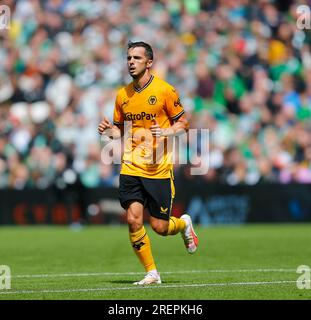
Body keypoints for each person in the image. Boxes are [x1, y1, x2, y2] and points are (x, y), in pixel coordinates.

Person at [98, 41, 198, 285]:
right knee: (133, 219)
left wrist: (166, 133)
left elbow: (183, 123)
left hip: (158, 168)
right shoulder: (123, 95)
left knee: (160, 228)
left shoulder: (165, 90)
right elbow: (119, 131)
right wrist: (109, 131)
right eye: (129, 58)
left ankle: (184, 223)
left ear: (149, 62)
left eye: (137, 58)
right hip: (131, 165)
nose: (131, 62)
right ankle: (152, 272)